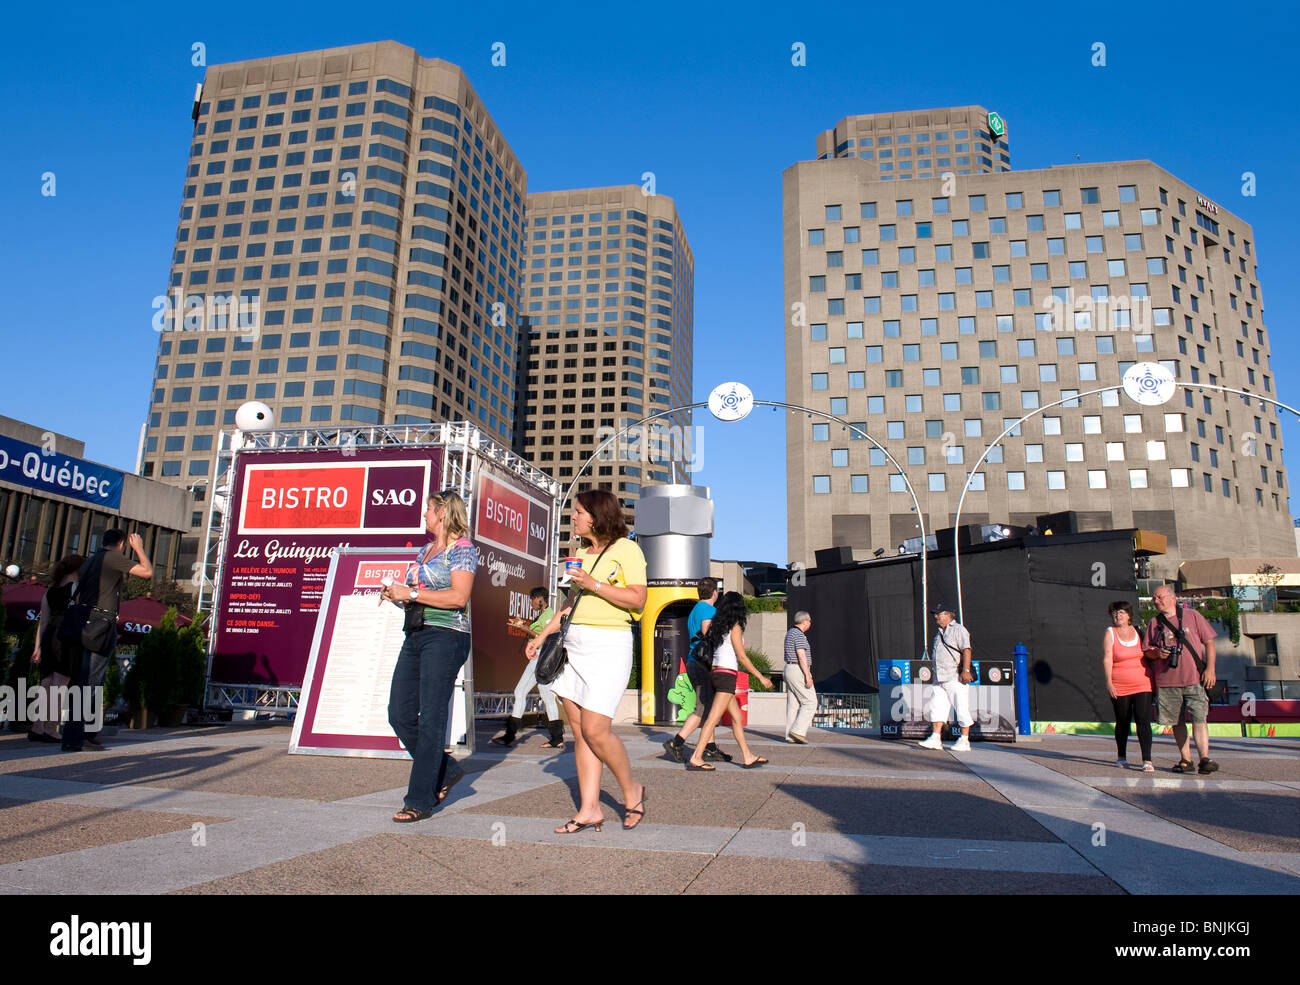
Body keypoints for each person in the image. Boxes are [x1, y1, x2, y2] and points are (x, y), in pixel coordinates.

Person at [526, 489, 648, 833]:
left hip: (609, 645)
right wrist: (541, 635)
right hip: (574, 644)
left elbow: (638, 599)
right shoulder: (580, 553)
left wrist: (594, 583)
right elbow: (569, 603)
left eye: (578, 512)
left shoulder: (627, 550)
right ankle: (590, 808)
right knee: (580, 732)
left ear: (596, 516)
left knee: (596, 730)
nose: (574, 518)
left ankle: (631, 791)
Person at [383, 490, 478, 822]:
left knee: (432, 717)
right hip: (416, 632)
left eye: (428, 509)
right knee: (399, 712)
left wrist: (410, 591)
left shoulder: (462, 550)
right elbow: (419, 596)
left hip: (447, 636)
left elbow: (458, 597)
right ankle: (446, 768)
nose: (424, 514)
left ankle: (419, 800)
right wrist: (399, 595)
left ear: (443, 513)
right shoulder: (425, 551)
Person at [63, 530, 151, 752]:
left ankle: (86, 733)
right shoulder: (112, 557)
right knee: (90, 682)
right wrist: (139, 547)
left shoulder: (91, 560)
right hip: (100, 624)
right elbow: (147, 571)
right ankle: (76, 737)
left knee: (89, 680)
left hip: (85, 622)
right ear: (121, 543)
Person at [686, 591, 773, 771]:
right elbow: (742, 657)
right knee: (712, 718)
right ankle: (696, 757)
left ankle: (748, 756)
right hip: (726, 675)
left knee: (737, 717)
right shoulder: (734, 626)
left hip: (716, 672)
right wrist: (761, 677)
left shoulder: (716, 625)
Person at [1142, 585, 1219, 774]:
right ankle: (1186, 758)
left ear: (1172, 597)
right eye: (1154, 599)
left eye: (1159, 597)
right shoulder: (1154, 623)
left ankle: (1204, 758)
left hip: (1194, 678)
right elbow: (1147, 651)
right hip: (1167, 680)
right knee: (1177, 722)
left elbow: (1209, 642)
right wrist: (1157, 652)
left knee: (1199, 718)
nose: (1156, 601)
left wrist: (1210, 669)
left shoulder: (1192, 616)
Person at [663, 577, 731, 764]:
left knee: (708, 708)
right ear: (715, 592)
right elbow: (708, 633)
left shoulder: (695, 609)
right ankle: (676, 742)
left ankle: (710, 748)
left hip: (694, 661)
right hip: (703, 663)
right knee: (702, 708)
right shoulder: (709, 610)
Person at [493, 586, 563, 748]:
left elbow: (545, 638)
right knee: (545, 694)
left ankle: (510, 735)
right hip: (541, 658)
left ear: (540, 598)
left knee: (521, 691)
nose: (531, 602)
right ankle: (557, 738)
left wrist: (524, 628)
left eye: (532, 599)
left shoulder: (548, 616)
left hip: (540, 658)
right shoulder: (544, 615)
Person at [28, 554, 87, 744]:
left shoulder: (50, 591)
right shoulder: (77, 589)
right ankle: (51, 729)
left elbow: (43, 620)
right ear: (78, 569)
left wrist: (37, 647)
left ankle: (37, 727)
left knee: (46, 682)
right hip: (66, 637)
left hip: (49, 636)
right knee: (60, 684)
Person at [1103, 600, 1155, 772]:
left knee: (1143, 720)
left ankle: (1147, 760)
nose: (1118, 616)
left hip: (1142, 682)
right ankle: (1121, 756)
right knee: (1123, 721)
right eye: (1115, 613)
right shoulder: (1110, 633)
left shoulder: (1139, 631)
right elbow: (1107, 658)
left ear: (1129, 616)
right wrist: (1109, 682)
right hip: (1120, 684)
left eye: (1122, 613)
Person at [918, 602, 973, 752]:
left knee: (961, 708)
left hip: (955, 676)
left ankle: (964, 740)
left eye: (939, 613)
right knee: (936, 708)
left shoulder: (958, 630)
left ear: (948, 615)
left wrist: (966, 670)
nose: (936, 616)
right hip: (939, 678)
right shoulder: (938, 634)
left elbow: (966, 650)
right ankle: (935, 737)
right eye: (935, 613)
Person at [783, 610, 817, 744]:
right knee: (810, 702)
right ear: (804, 621)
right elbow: (801, 655)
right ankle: (797, 731)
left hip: (789, 668)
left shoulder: (790, 633)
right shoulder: (799, 635)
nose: (810, 623)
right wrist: (807, 676)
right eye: (809, 620)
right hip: (798, 669)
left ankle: (789, 735)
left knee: (793, 704)